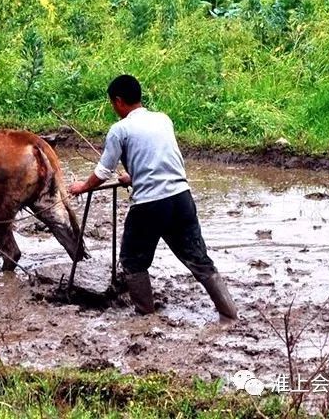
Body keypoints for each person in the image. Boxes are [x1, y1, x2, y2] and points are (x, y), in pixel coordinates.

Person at [68, 74, 238, 320]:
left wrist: (82, 186)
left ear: (118, 101)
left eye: (112, 104)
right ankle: (230, 314)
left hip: (149, 206)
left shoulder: (120, 130)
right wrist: (133, 176)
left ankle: (146, 317)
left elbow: (103, 172)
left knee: (132, 261)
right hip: (181, 199)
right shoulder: (162, 120)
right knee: (199, 260)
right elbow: (160, 160)